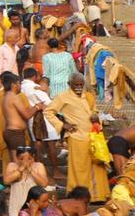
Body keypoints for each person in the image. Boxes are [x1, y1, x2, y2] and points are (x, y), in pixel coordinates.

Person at [44, 74, 109, 203]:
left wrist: (96, 117)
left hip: (92, 136)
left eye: (81, 85)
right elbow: (48, 112)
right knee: (79, 169)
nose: (79, 87)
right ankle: (78, 196)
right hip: (76, 136)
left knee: (97, 166)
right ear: (70, 84)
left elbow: (94, 111)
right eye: (76, 85)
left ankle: (98, 196)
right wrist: (63, 125)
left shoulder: (88, 96)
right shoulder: (63, 97)